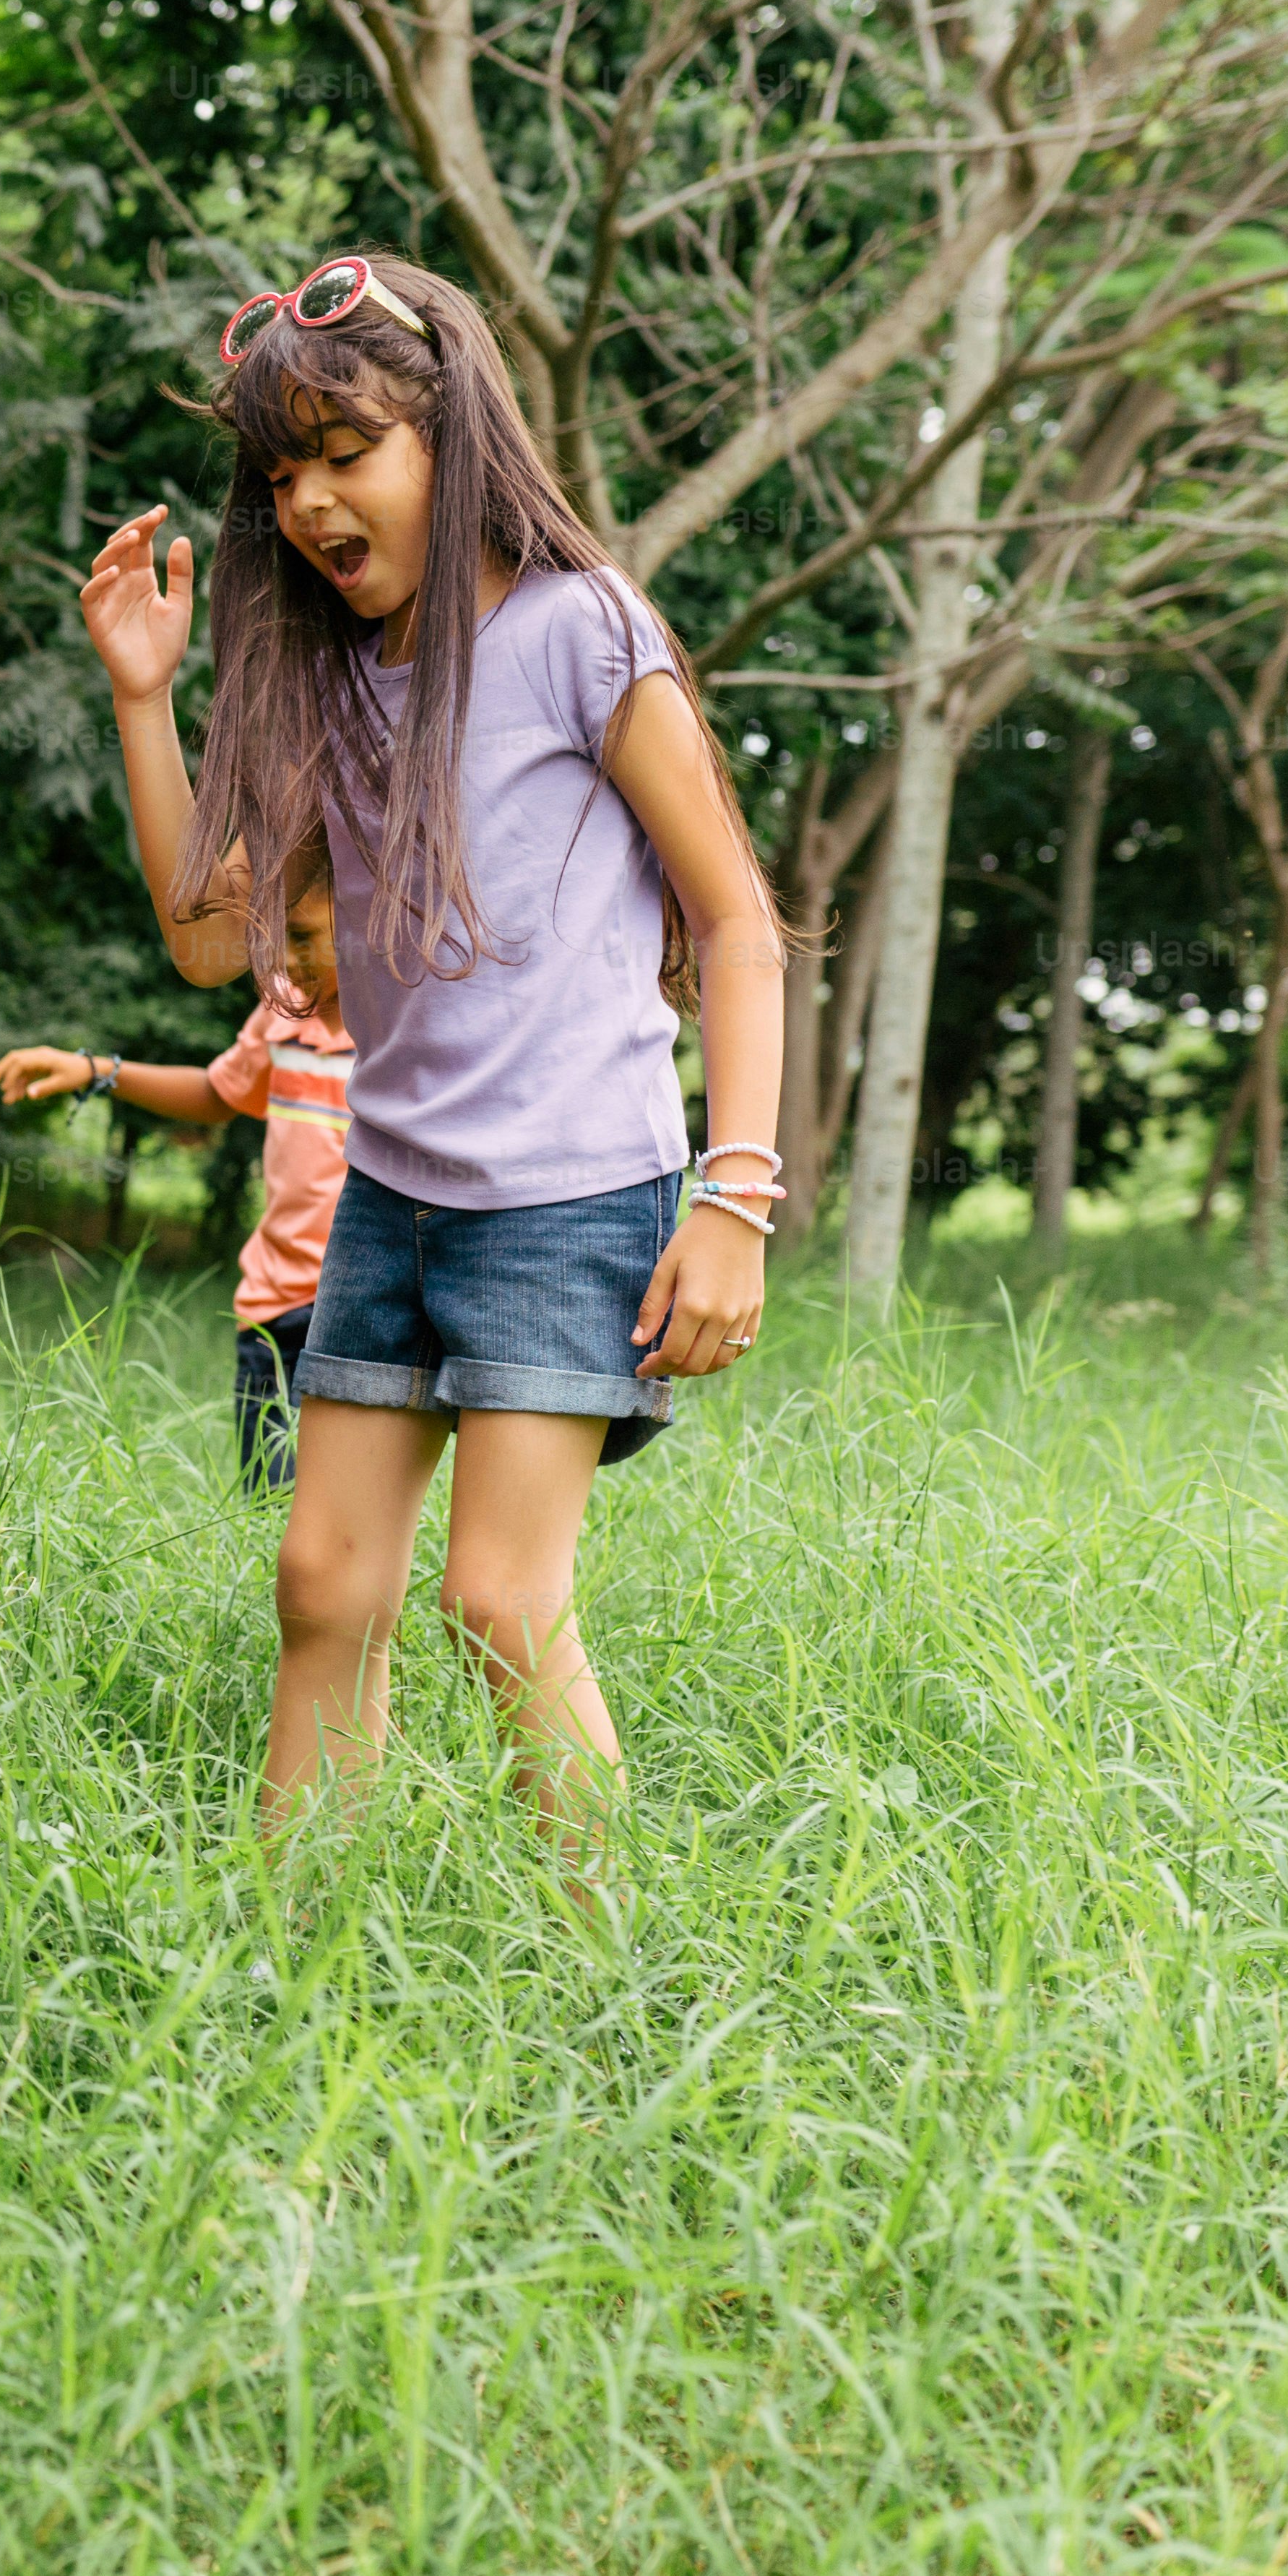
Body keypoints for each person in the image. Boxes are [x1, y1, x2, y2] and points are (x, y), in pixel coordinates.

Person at [79, 250, 787, 1851]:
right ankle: (301, 1946)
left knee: (497, 1601)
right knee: (323, 1582)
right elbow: (210, 942)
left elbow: (737, 921)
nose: (314, 503)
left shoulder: (582, 631)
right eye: (282, 475)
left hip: (569, 1197)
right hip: (389, 1201)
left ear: (449, 432)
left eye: (349, 452)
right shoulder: (336, 675)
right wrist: (143, 698)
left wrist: (735, 1198)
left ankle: (600, 1981)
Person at [0, 884, 353, 1489]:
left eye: (303, 936)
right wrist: (97, 1070)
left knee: (343, 1520)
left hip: (361, 1309)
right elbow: (217, 1094)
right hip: (273, 1307)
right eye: (275, 938)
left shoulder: (400, 1037)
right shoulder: (280, 1015)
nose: (284, 960)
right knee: (268, 1505)